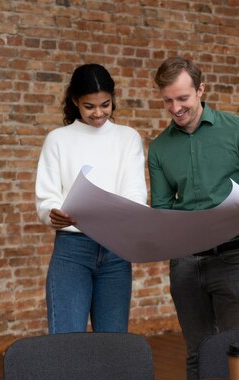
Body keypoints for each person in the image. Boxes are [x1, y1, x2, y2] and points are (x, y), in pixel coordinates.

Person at [148, 57, 239, 380]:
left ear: (200, 90)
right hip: (186, 264)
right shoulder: (160, 148)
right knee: (198, 354)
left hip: (235, 257)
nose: (175, 108)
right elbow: (163, 207)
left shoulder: (238, 130)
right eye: (167, 100)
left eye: (182, 98)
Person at [35, 64, 147, 334]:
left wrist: (131, 212)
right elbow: (46, 198)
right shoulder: (58, 140)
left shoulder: (127, 138)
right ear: (75, 101)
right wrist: (53, 213)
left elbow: (135, 193)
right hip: (72, 251)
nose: (98, 113)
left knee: (112, 343)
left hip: (115, 250)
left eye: (105, 104)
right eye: (89, 106)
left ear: (113, 98)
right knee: (66, 340)